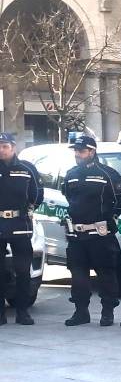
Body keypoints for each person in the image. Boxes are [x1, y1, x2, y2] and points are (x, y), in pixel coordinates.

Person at [61, 135, 121, 327]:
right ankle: (81, 312)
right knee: (78, 274)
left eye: (81, 151)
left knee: (106, 274)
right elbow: (69, 197)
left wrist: (110, 218)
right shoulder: (71, 174)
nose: (78, 154)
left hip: (100, 235)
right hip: (77, 235)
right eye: (76, 151)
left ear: (92, 151)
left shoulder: (107, 174)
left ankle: (107, 312)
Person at [0, 132, 43, 326]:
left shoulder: (27, 169)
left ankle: (23, 312)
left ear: (13, 147)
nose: (1, 150)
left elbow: (37, 194)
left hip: (20, 225)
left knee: (23, 271)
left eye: (5, 146)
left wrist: (28, 209)